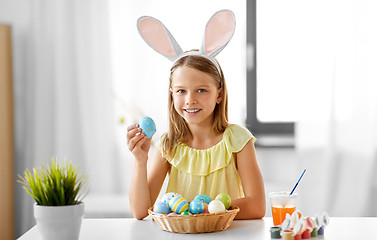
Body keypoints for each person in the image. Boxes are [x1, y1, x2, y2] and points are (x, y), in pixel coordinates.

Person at [127, 10, 265, 220]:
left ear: (218, 94)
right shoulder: (168, 144)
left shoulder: (238, 139)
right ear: (172, 94)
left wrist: (205, 211)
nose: (190, 100)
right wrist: (140, 160)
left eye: (201, 90)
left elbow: (257, 206)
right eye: (181, 91)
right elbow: (139, 211)